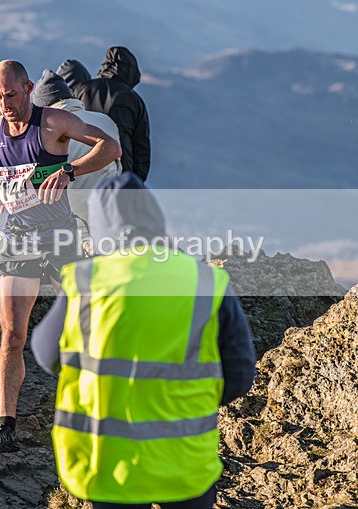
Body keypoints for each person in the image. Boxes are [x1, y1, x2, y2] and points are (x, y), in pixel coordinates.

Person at [31, 173, 256, 508]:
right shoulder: (205, 280)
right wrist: (186, 401)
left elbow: (47, 355)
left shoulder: (86, 280)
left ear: (99, 227)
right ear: (154, 217)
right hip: (185, 463)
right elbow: (239, 375)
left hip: (106, 465)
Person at [0, 59, 121, 453]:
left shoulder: (54, 122)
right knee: (12, 334)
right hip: (18, 238)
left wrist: (69, 171)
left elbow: (111, 147)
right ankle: (6, 428)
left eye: (11, 94)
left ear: (27, 88)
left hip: (60, 235)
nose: (5, 103)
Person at [33, 68, 121, 234]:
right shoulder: (106, 121)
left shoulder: (44, 131)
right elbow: (118, 167)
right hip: (110, 215)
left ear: (44, 107)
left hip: (70, 225)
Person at [72, 47, 151, 182]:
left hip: (82, 171)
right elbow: (141, 146)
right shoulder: (132, 99)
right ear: (131, 72)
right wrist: (137, 180)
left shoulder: (81, 90)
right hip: (121, 174)